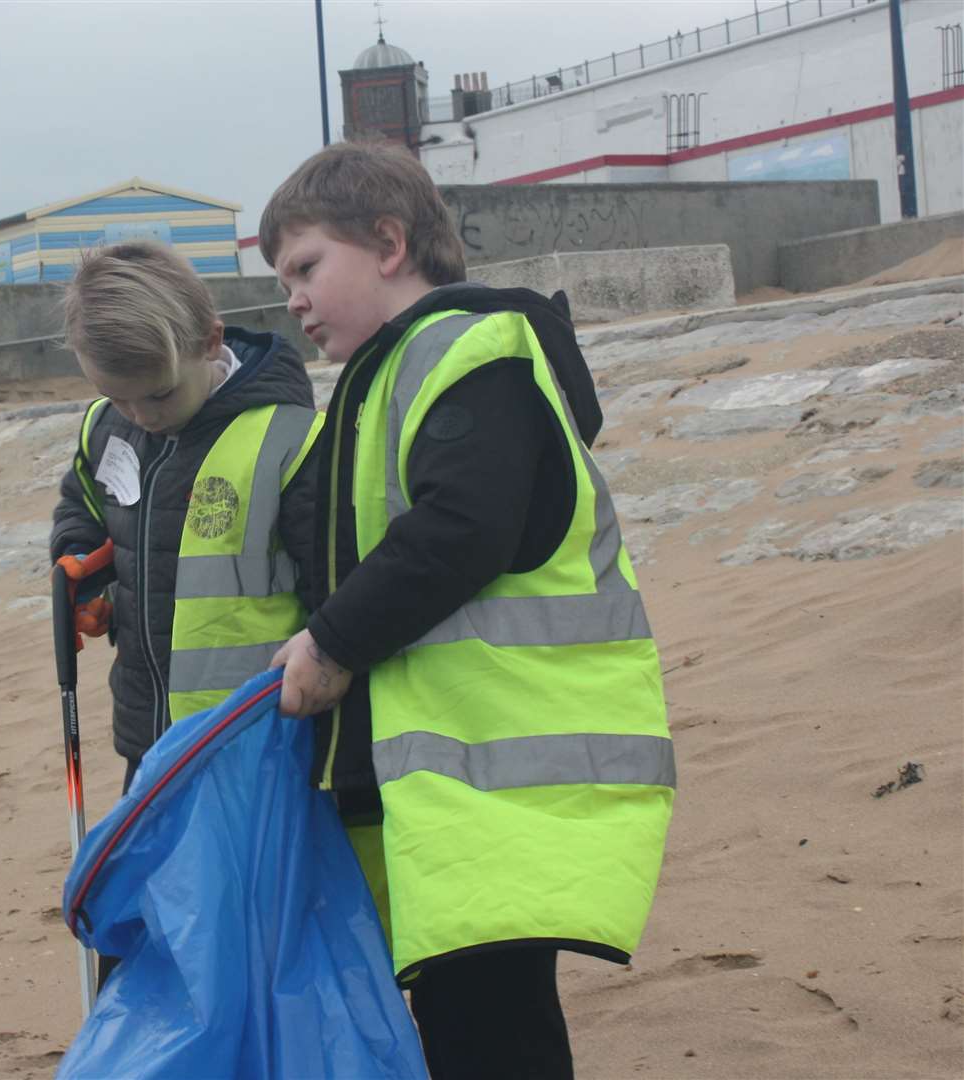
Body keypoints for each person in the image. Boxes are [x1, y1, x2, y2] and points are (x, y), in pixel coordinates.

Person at [261, 141, 675, 1080]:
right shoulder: (379, 382)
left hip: (497, 766)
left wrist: (331, 644)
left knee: (491, 1028)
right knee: (460, 1023)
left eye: (304, 267)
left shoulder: (471, 353)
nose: (291, 298)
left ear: (389, 243)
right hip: (434, 774)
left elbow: (461, 527)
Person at [50, 240, 322, 796]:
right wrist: (82, 571)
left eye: (160, 395)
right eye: (116, 397)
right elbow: (82, 504)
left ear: (210, 341)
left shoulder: (286, 437)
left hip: (252, 734)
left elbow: (331, 579)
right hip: (144, 730)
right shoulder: (107, 427)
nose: (142, 417)